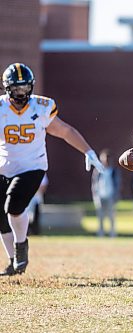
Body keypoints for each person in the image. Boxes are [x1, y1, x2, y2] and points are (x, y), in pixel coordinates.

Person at [0, 63, 104, 276]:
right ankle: (14, 263)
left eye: (25, 87)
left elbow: (65, 131)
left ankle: (21, 247)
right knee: (1, 218)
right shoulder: (1, 109)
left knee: (14, 206)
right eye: (17, 88)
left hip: (33, 166)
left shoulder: (41, 107)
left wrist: (88, 151)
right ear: (7, 88)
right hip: (5, 167)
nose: (22, 92)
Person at [91, 149, 120, 237]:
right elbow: (94, 184)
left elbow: (118, 184)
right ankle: (101, 233)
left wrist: (116, 196)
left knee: (111, 216)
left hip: (110, 196)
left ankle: (112, 233)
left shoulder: (114, 171)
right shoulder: (98, 171)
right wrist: (95, 196)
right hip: (100, 196)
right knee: (100, 216)